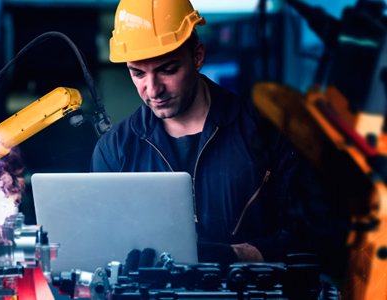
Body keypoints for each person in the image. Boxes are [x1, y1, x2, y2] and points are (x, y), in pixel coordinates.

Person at [91, 0, 314, 265]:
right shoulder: (114, 150)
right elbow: (102, 247)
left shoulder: (266, 133)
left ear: (197, 57)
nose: (152, 90)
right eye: (138, 73)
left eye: (167, 70)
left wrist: (236, 256)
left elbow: (310, 237)